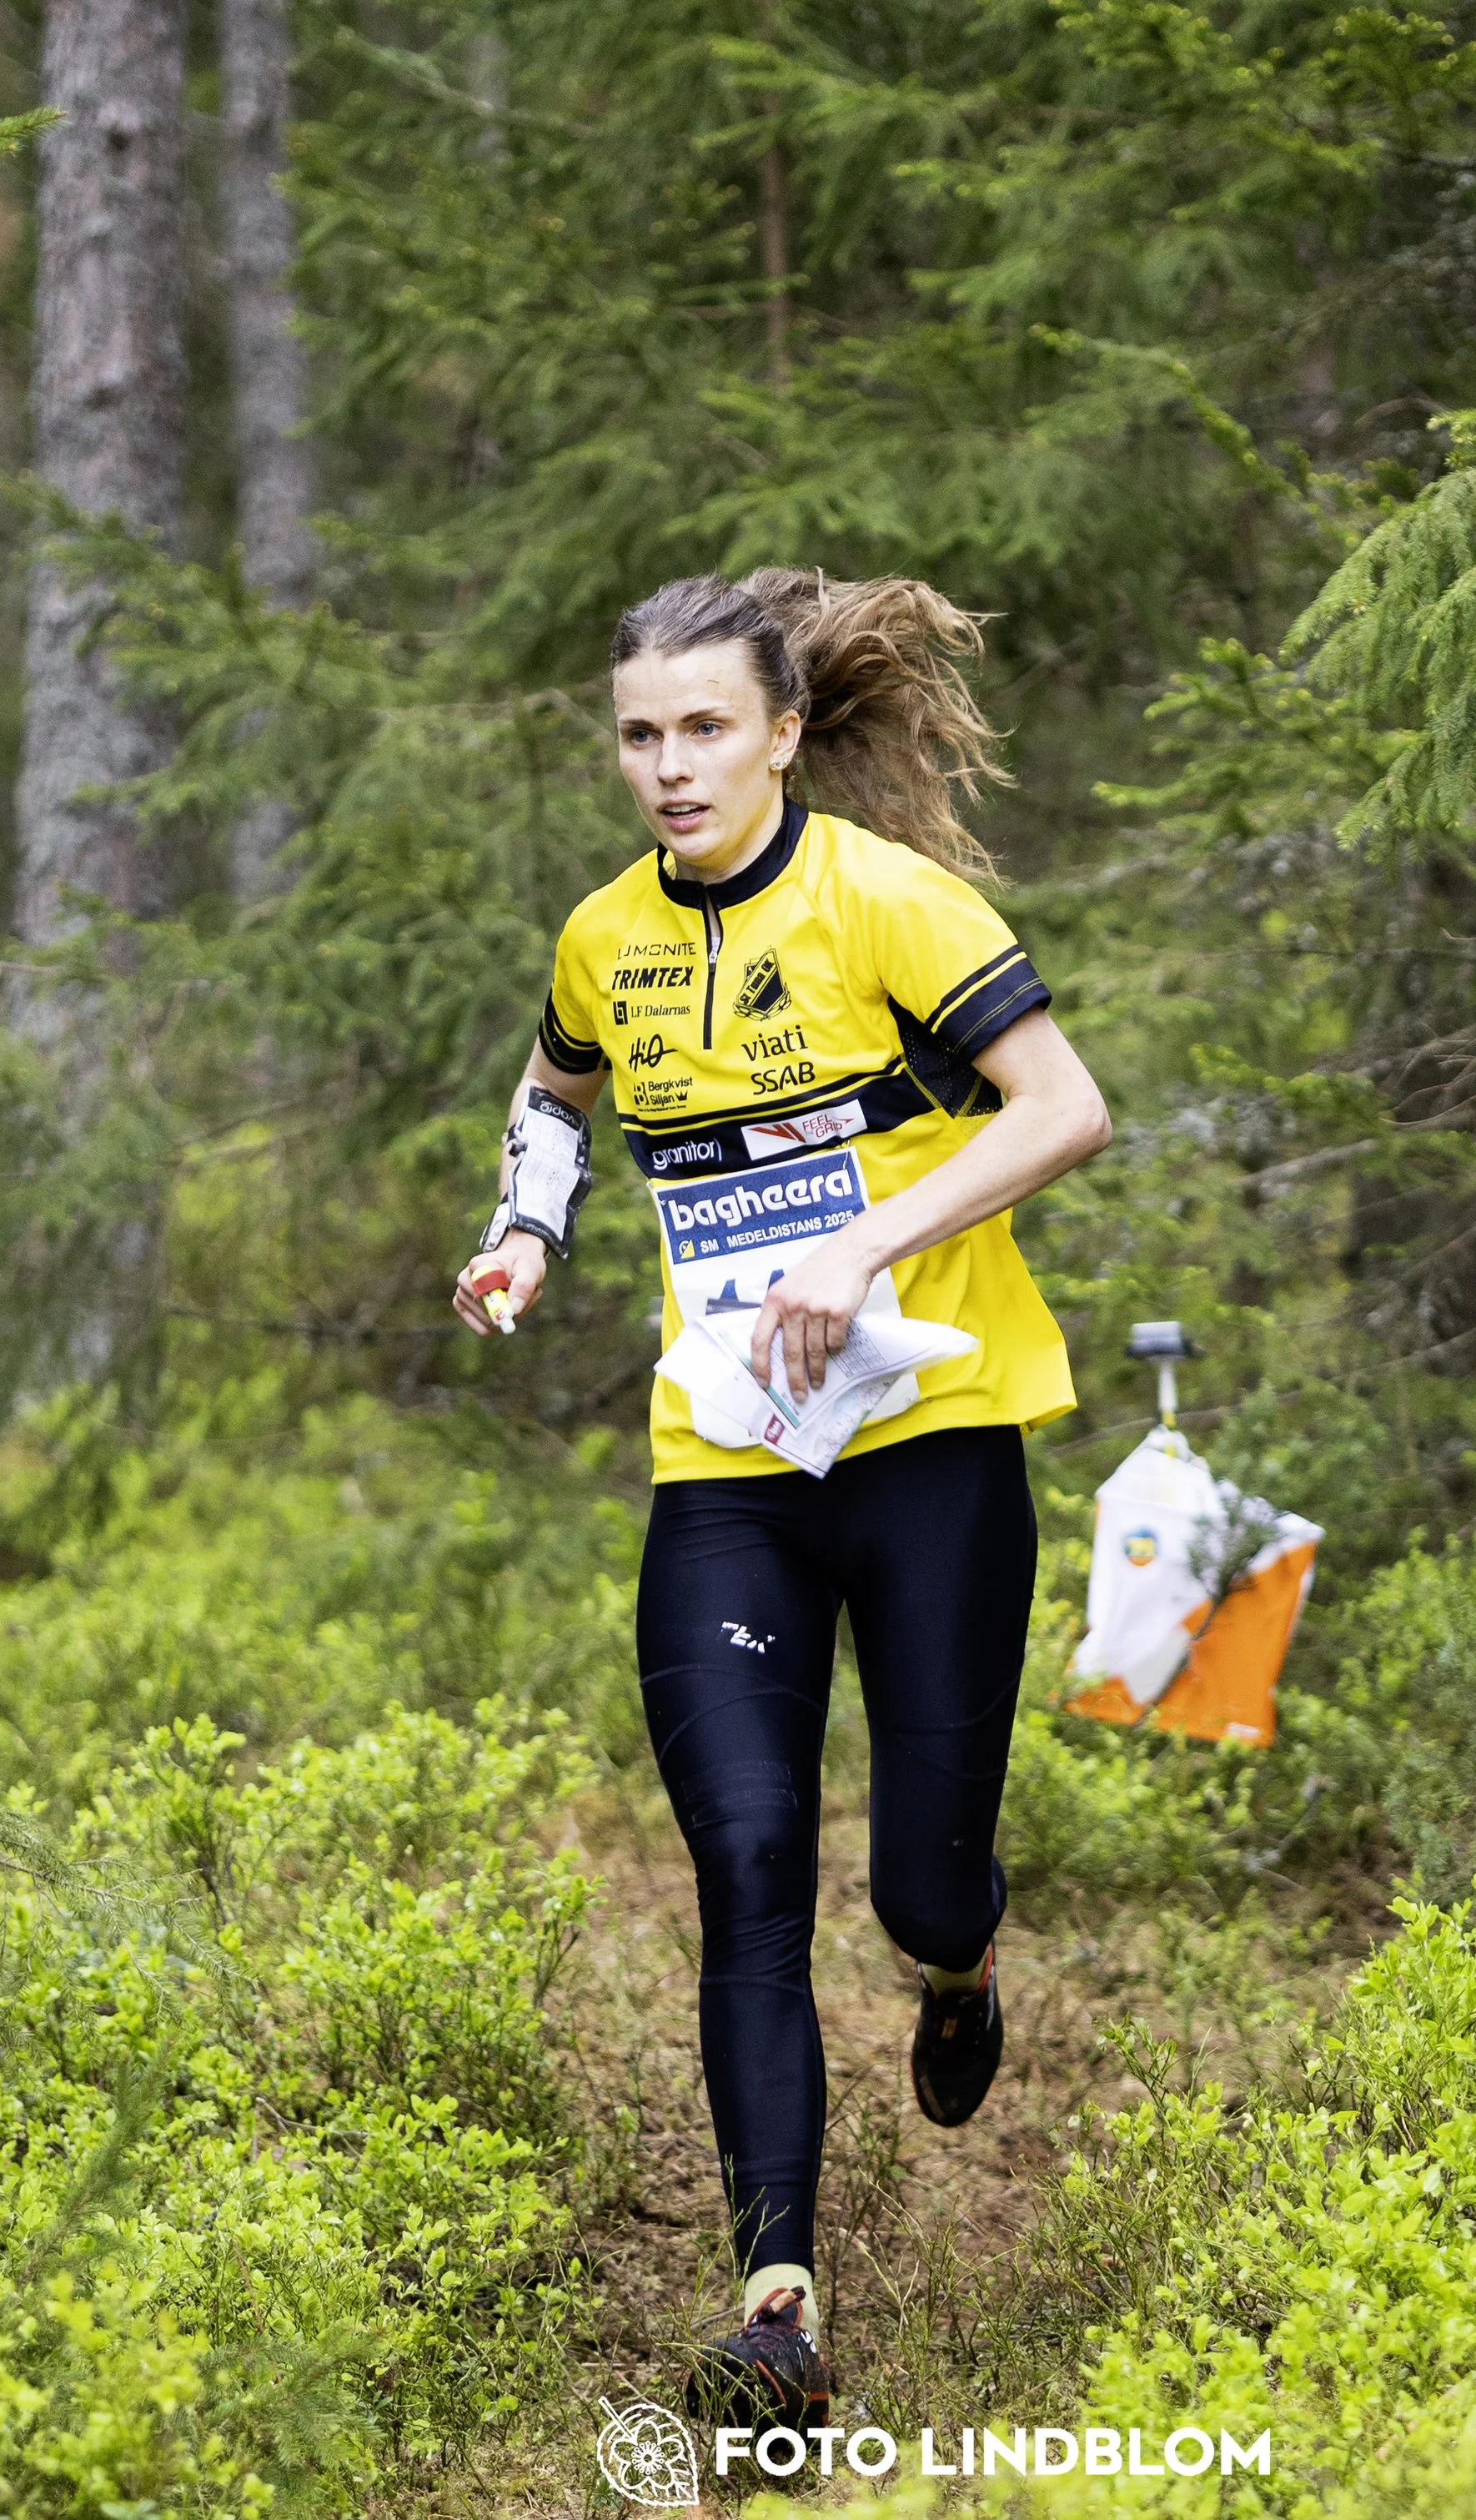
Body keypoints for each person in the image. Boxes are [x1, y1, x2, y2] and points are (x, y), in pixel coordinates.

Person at [452, 568, 1111, 2429]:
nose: (668, 768)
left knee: (912, 1877)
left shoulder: (889, 900)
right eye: (640, 734)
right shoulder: (604, 935)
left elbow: (1062, 1106)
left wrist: (865, 1239)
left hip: (931, 1442)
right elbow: (560, 1087)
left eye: (703, 730)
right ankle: (775, 2304)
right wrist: (522, 1228)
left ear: (783, 732)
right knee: (744, 1869)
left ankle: (961, 1964)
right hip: (727, 1467)